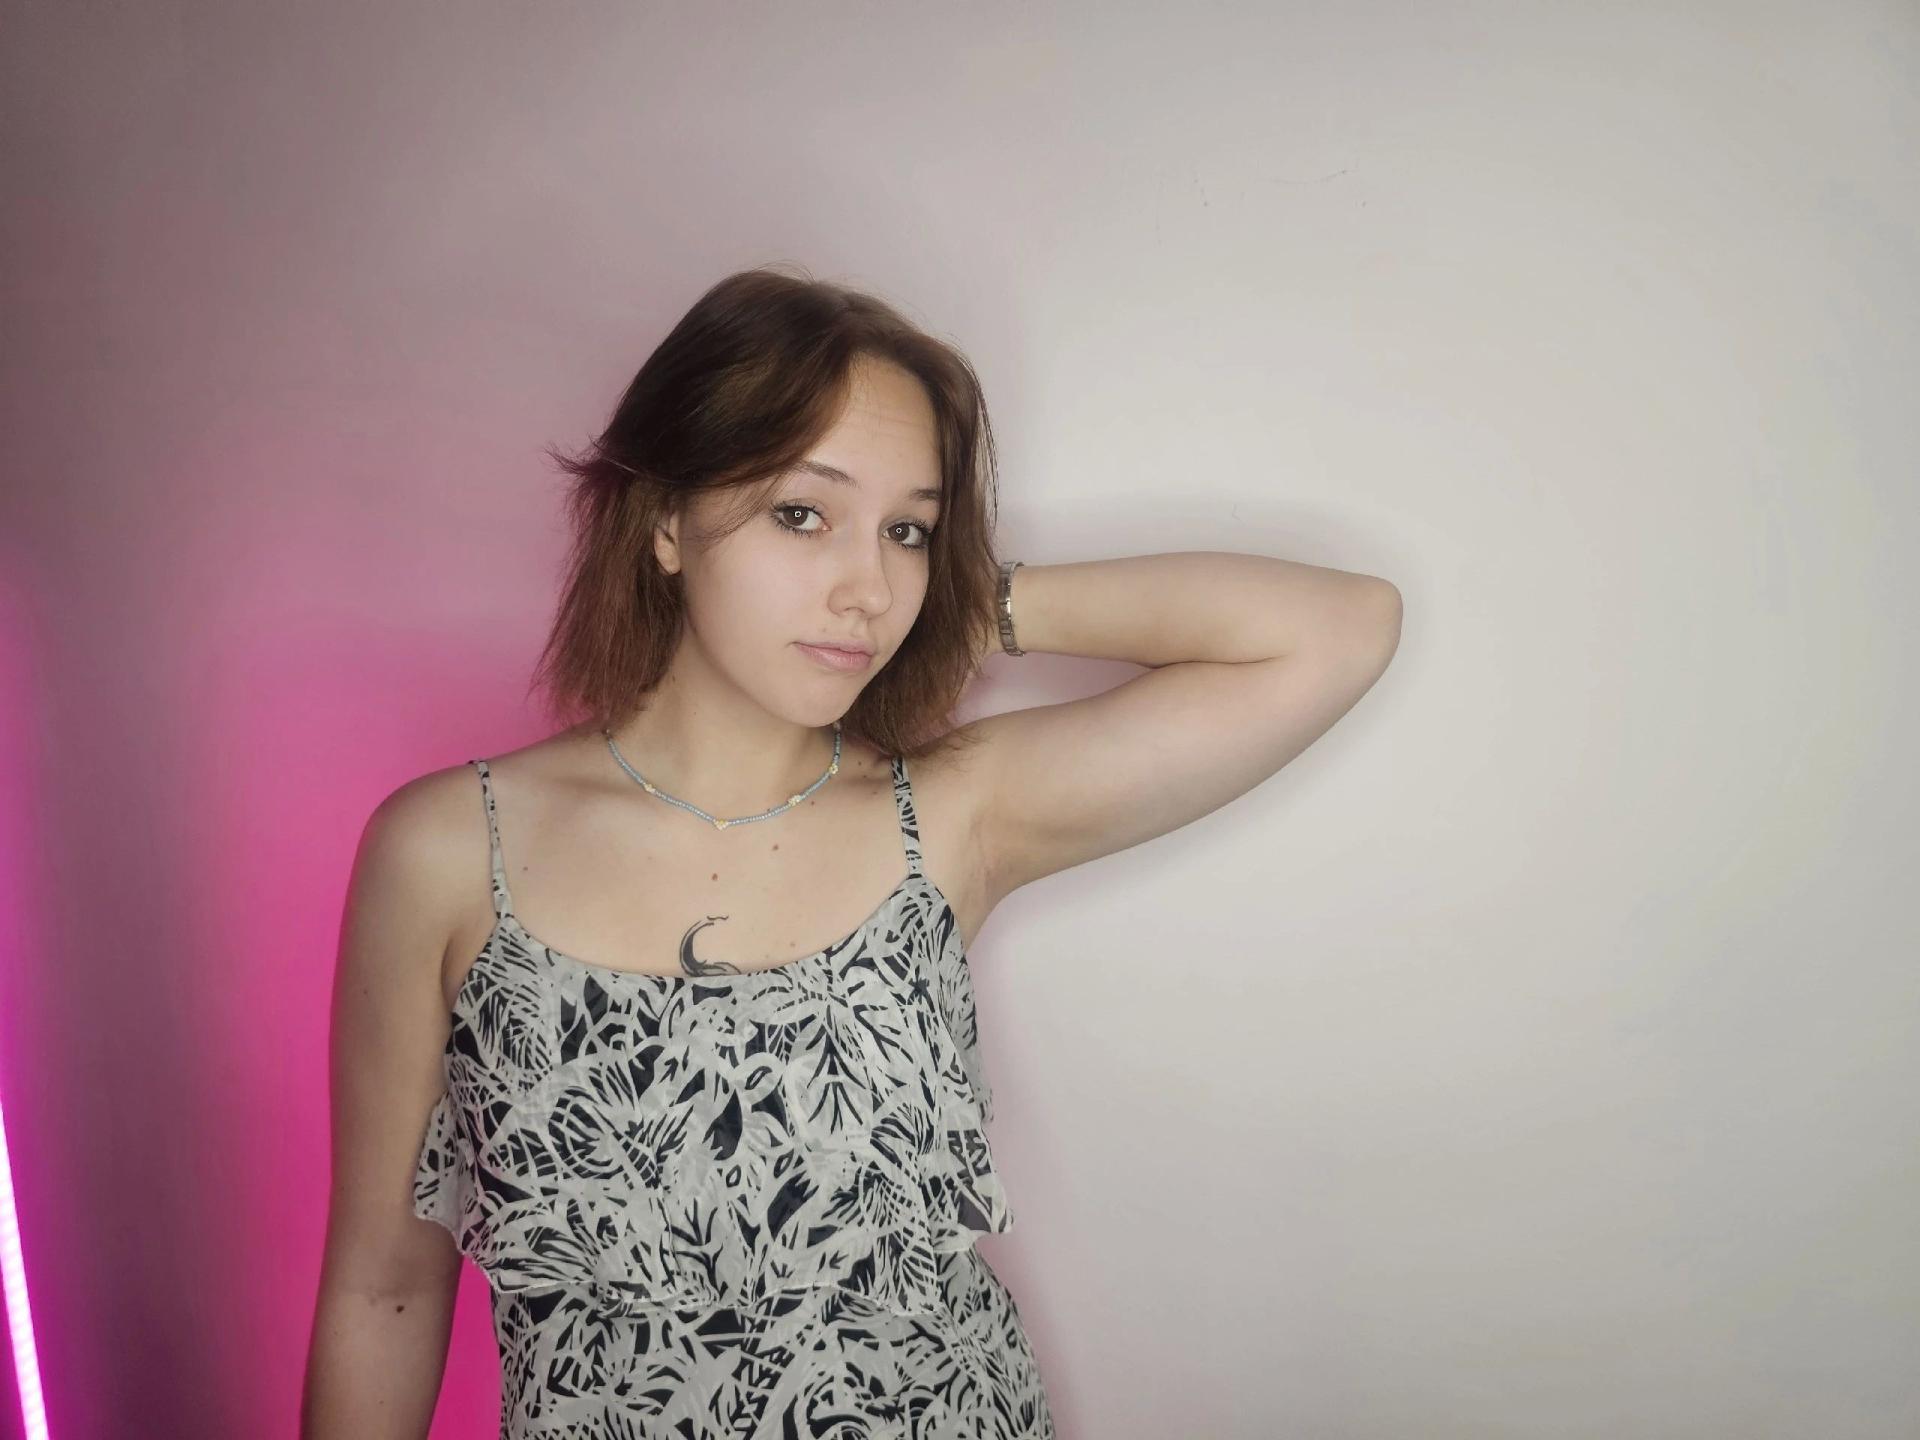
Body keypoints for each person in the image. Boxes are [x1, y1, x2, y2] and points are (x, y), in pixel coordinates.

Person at [301, 265, 1403, 1438]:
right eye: (802, 514)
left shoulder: (951, 816)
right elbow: (385, 1289)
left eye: (907, 531)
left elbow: (1338, 630)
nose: (868, 588)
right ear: (665, 520)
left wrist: (977, 601)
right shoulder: (449, 850)